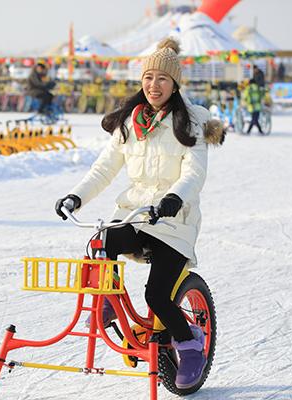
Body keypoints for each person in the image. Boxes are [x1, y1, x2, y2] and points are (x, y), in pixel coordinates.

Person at [54, 38, 224, 390]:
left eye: (162, 79)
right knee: (101, 242)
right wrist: (76, 197)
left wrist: (174, 198)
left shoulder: (191, 121)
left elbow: (194, 172)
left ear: (174, 84)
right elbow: (104, 169)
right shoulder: (131, 122)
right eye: (148, 77)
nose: (153, 86)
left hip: (173, 221)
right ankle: (108, 304)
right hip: (136, 214)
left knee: (157, 297)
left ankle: (190, 346)